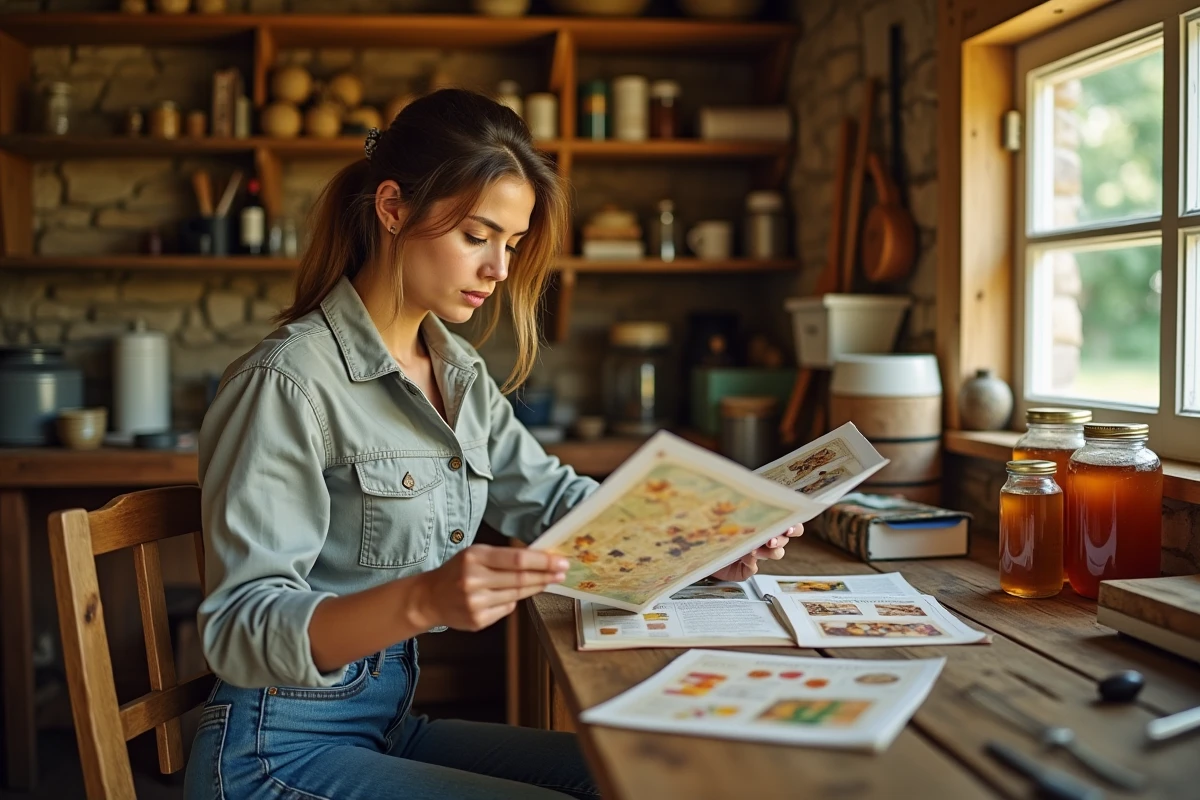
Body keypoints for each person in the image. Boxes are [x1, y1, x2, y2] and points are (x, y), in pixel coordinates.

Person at [185, 88, 802, 800]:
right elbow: (237, 629)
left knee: (641, 781)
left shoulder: (456, 369)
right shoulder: (286, 382)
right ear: (393, 208)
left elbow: (554, 501)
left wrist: (705, 545)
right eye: (477, 237)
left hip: (383, 726)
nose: (500, 271)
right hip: (274, 751)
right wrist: (424, 599)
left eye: (511, 244)